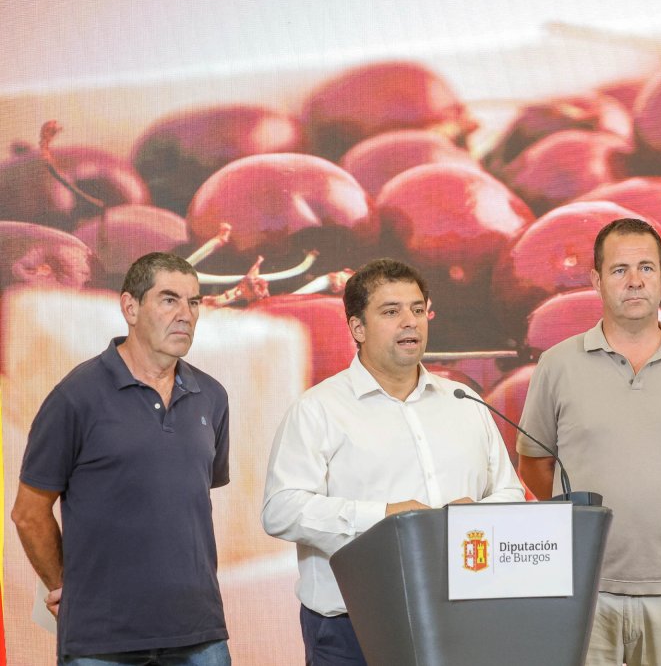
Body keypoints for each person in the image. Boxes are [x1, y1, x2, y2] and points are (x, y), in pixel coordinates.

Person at [262, 258, 525, 666]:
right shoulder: (318, 409)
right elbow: (281, 509)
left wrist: (476, 519)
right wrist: (384, 518)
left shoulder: (465, 403)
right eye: (391, 311)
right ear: (357, 328)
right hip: (353, 631)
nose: (411, 322)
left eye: (418, 309)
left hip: (462, 618)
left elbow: (508, 491)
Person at [518, 218, 661, 665]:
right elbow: (532, 463)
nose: (634, 281)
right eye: (619, 270)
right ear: (596, 280)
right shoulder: (558, 365)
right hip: (583, 590)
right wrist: (583, 527)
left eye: (646, 268)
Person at [11, 252, 231, 665]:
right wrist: (67, 589)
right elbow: (28, 512)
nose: (185, 314)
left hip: (199, 632)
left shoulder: (212, 396)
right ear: (130, 307)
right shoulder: (75, 396)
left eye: (194, 302)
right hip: (101, 639)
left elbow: (187, 500)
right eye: (169, 300)